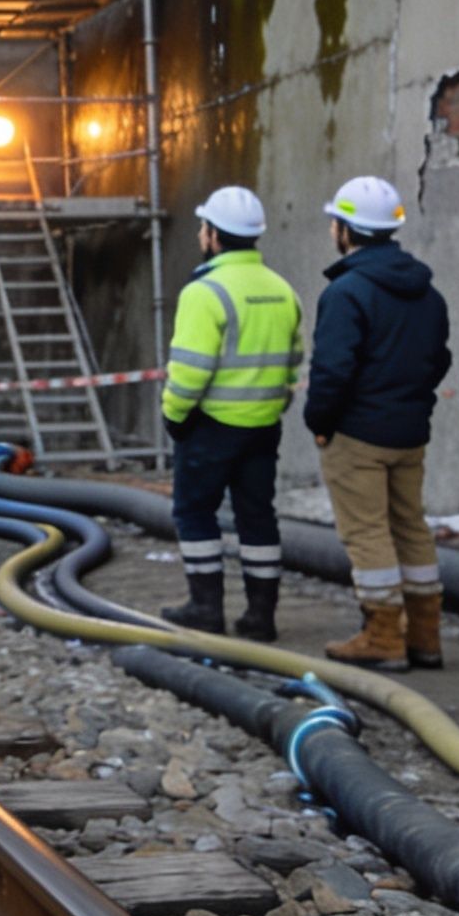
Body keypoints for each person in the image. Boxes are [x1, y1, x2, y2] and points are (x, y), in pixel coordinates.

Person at [300, 177, 454, 670]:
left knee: (366, 532)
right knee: (410, 526)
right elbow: (439, 359)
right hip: (409, 432)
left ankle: (384, 636)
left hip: (357, 433)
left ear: (345, 229)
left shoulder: (346, 292)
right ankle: (426, 635)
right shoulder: (427, 293)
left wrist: (319, 421)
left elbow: (332, 370)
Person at [159, 185, 303, 640]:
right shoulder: (283, 290)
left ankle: (206, 608)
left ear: (212, 235)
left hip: (211, 426)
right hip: (263, 426)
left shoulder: (204, 292)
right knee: (257, 516)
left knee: (194, 512)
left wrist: (174, 414)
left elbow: (190, 369)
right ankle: (261, 617)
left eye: (204, 227)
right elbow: (293, 360)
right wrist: (275, 403)